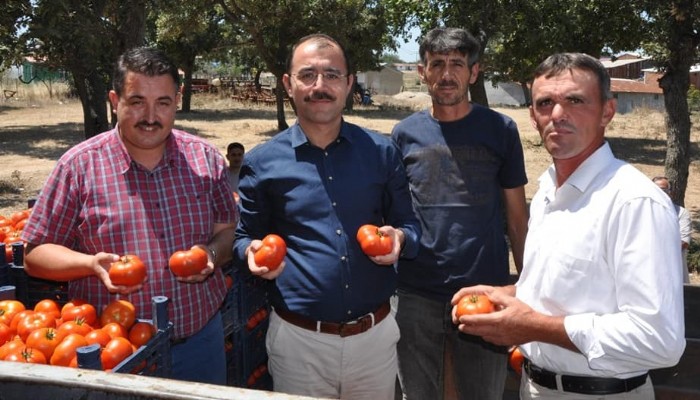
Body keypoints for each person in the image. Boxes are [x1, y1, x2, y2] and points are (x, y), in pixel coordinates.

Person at [452, 53, 685, 399]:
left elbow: (659, 340)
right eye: (545, 103)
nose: (557, 114)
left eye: (575, 100)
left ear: (607, 111)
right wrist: (510, 295)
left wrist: (533, 327)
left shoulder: (634, 202)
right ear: (532, 116)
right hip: (534, 387)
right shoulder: (549, 188)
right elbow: (575, 289)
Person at [21, 47, 238, 384]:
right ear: (114, 99)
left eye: (163, 103)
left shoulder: (205, 159)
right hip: (116, 358)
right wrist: (90, 265)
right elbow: (34, 253)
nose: (150, 116)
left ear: (177, 101)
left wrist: (211, 254)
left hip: (200, 343)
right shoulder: (78, 166)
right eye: (137, 101)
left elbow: (227, 230)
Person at [232, 33, 421, 400]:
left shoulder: (381, 152)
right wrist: (250, 255)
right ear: (288, 85)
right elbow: (243, 238)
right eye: (308, 75)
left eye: (332, 75)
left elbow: (411, 226)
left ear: (349, 84)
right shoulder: (262, 162)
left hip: (374, 340)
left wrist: (400, 239)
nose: (320, 86)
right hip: (298, 343)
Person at [390, 27, 529, 399]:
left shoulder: (500, 129)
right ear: (422, 72)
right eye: (437, 64)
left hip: (486, 289)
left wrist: (528, 286)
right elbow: (395, 213)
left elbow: (517, 216)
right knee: (417, 394)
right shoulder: (404, 134)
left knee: (482, 394)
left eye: (456, 64)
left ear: (474, 71)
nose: (446, 74)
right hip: (416, 291)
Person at [653, 175, 693, 283]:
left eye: (664, 190)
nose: (661, 194)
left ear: (671, 193)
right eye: (656, 190)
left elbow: (684, 242)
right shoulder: (642, 213)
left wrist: (656, 250)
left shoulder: (681, 213)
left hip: (674, 275)